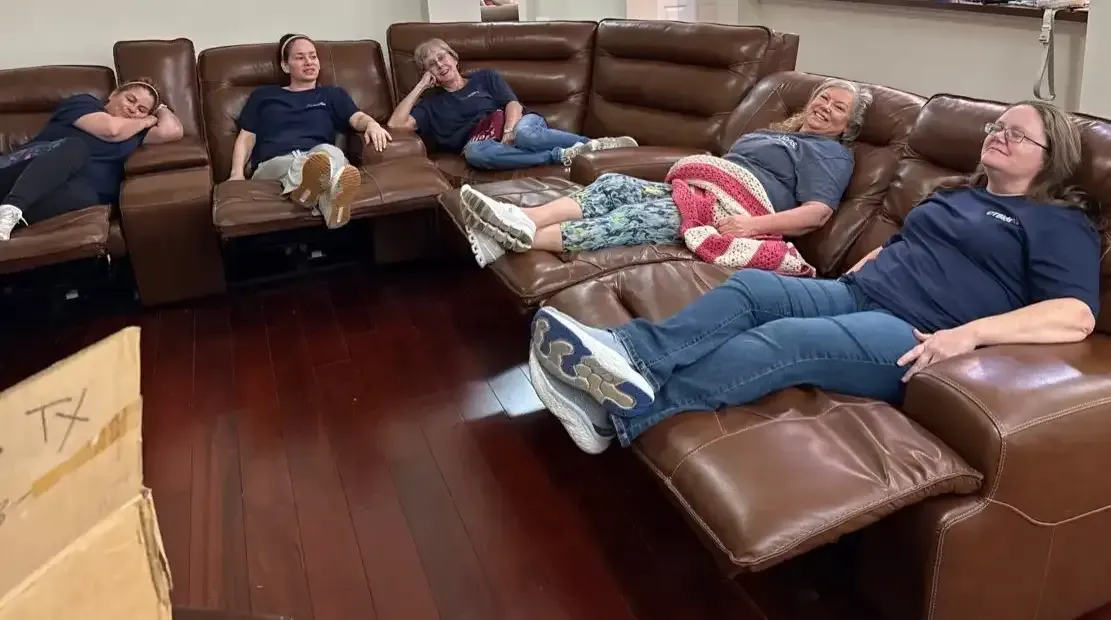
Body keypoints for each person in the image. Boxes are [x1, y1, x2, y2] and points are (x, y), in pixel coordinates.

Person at [525, 100, 1102, 455]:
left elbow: (1075, 315)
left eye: (1017, 134)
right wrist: (871, 262)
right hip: (858, 292)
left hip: (915, 333)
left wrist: (970, 336)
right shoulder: (957, 193)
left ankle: (619, 412)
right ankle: (624, 353)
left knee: (785, 340)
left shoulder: (1056, 221)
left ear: (1051, 156)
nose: (998, 135)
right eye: (997, 126)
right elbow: (913, 245)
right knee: (750, 288)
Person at [458, 78, 870, 269]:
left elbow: (817, 213)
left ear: (847, 127)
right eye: (823, 98)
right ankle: (523, 219)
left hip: (736, 211)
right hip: (703, 191)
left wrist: (752, 225)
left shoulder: (830, 154)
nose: (825, 107)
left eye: (838, 108)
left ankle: (515, 239)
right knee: (613, 184)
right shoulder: (777, 134)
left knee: (636, 218)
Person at [386, 38, 637, 173]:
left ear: (454, 57)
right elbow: (396, 125)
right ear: (427, 73)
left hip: (519, 123)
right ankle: (561, 155)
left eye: (442, 57)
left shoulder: (485, 78)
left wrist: (509, 131)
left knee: (524, 135)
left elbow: (512, 104)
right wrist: (421, 86)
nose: (440, 65)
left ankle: (596, 145)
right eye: (431, 64)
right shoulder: (431, 103)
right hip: (484, 144)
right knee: (475, 154)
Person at [227, 33, 393, 230]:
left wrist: (372, 124)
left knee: (331, 153)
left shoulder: (332, 94)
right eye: (300, 57)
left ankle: (309, 194)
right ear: (285, 66)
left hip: (320, 158)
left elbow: (357, 118)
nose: (309, 62)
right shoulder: (264, 96)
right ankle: (326, 199)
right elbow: (247, 137)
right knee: (310, 164)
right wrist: (236, 173)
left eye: (313, 56)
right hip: (275, 162)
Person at [0, 79, 184, 242]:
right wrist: (146, 120)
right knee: (75, 147)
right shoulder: (84, 104)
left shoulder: (136, 135)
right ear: (113, 94)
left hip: (65, 193)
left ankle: (6, 221)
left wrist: (161, 109)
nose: (132, 109)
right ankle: (12, 207)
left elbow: (173, 131)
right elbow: (111, 130)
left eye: (141, 110)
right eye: (130, 99)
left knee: (84, 195)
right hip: (17, 174)